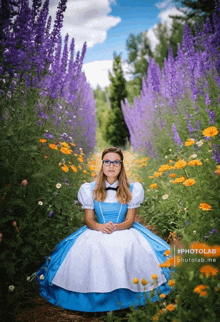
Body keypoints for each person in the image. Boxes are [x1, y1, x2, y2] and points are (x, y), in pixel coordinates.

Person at [35, 147, 173, 312]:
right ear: (102, 165)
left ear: (121, 166)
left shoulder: (133, 189)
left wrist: (115, 227)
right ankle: (92, 296)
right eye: (107, 161)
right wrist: (100, 226)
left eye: (116, 162)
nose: (111, 166)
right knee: (92, 250)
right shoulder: (90, 189)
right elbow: (88, 219)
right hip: (97, 229)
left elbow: (130, 220)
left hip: (123, 229)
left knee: (127, 249)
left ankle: (128, 295)